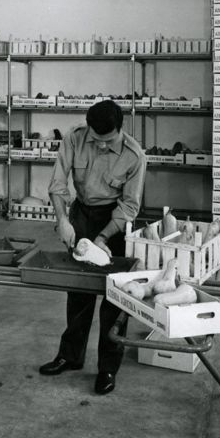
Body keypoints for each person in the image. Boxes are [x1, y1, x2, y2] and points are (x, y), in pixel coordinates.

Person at [38, 99, 146, 396]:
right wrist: (62, 220)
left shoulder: (134, 155)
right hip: (81, 215)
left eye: (107, 140)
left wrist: (104, 238)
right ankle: (70, 355)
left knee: (115, 296)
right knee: (78, 289)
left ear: (120, 129)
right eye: (96, 139)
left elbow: (129, 205)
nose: (100, 145)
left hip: (114, 221)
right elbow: (57, 184)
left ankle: (108, 367)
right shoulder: (74, 138)